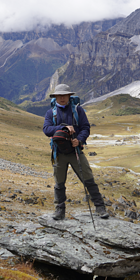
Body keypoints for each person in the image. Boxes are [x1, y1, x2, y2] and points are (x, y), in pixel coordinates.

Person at [43, 84, 109, 220]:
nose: (62, 98)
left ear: (69, 96)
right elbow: (46, 129)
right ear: (55, 97)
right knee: (59, 183)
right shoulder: (51, 113)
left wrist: (79, 140)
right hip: (59, 153)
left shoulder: (78, 110)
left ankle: (100, 207)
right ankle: (59, 210)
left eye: (64, 95)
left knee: (88, 179)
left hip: (76, 151)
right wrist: (63, 128)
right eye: (59, 96)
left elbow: (85, 127)